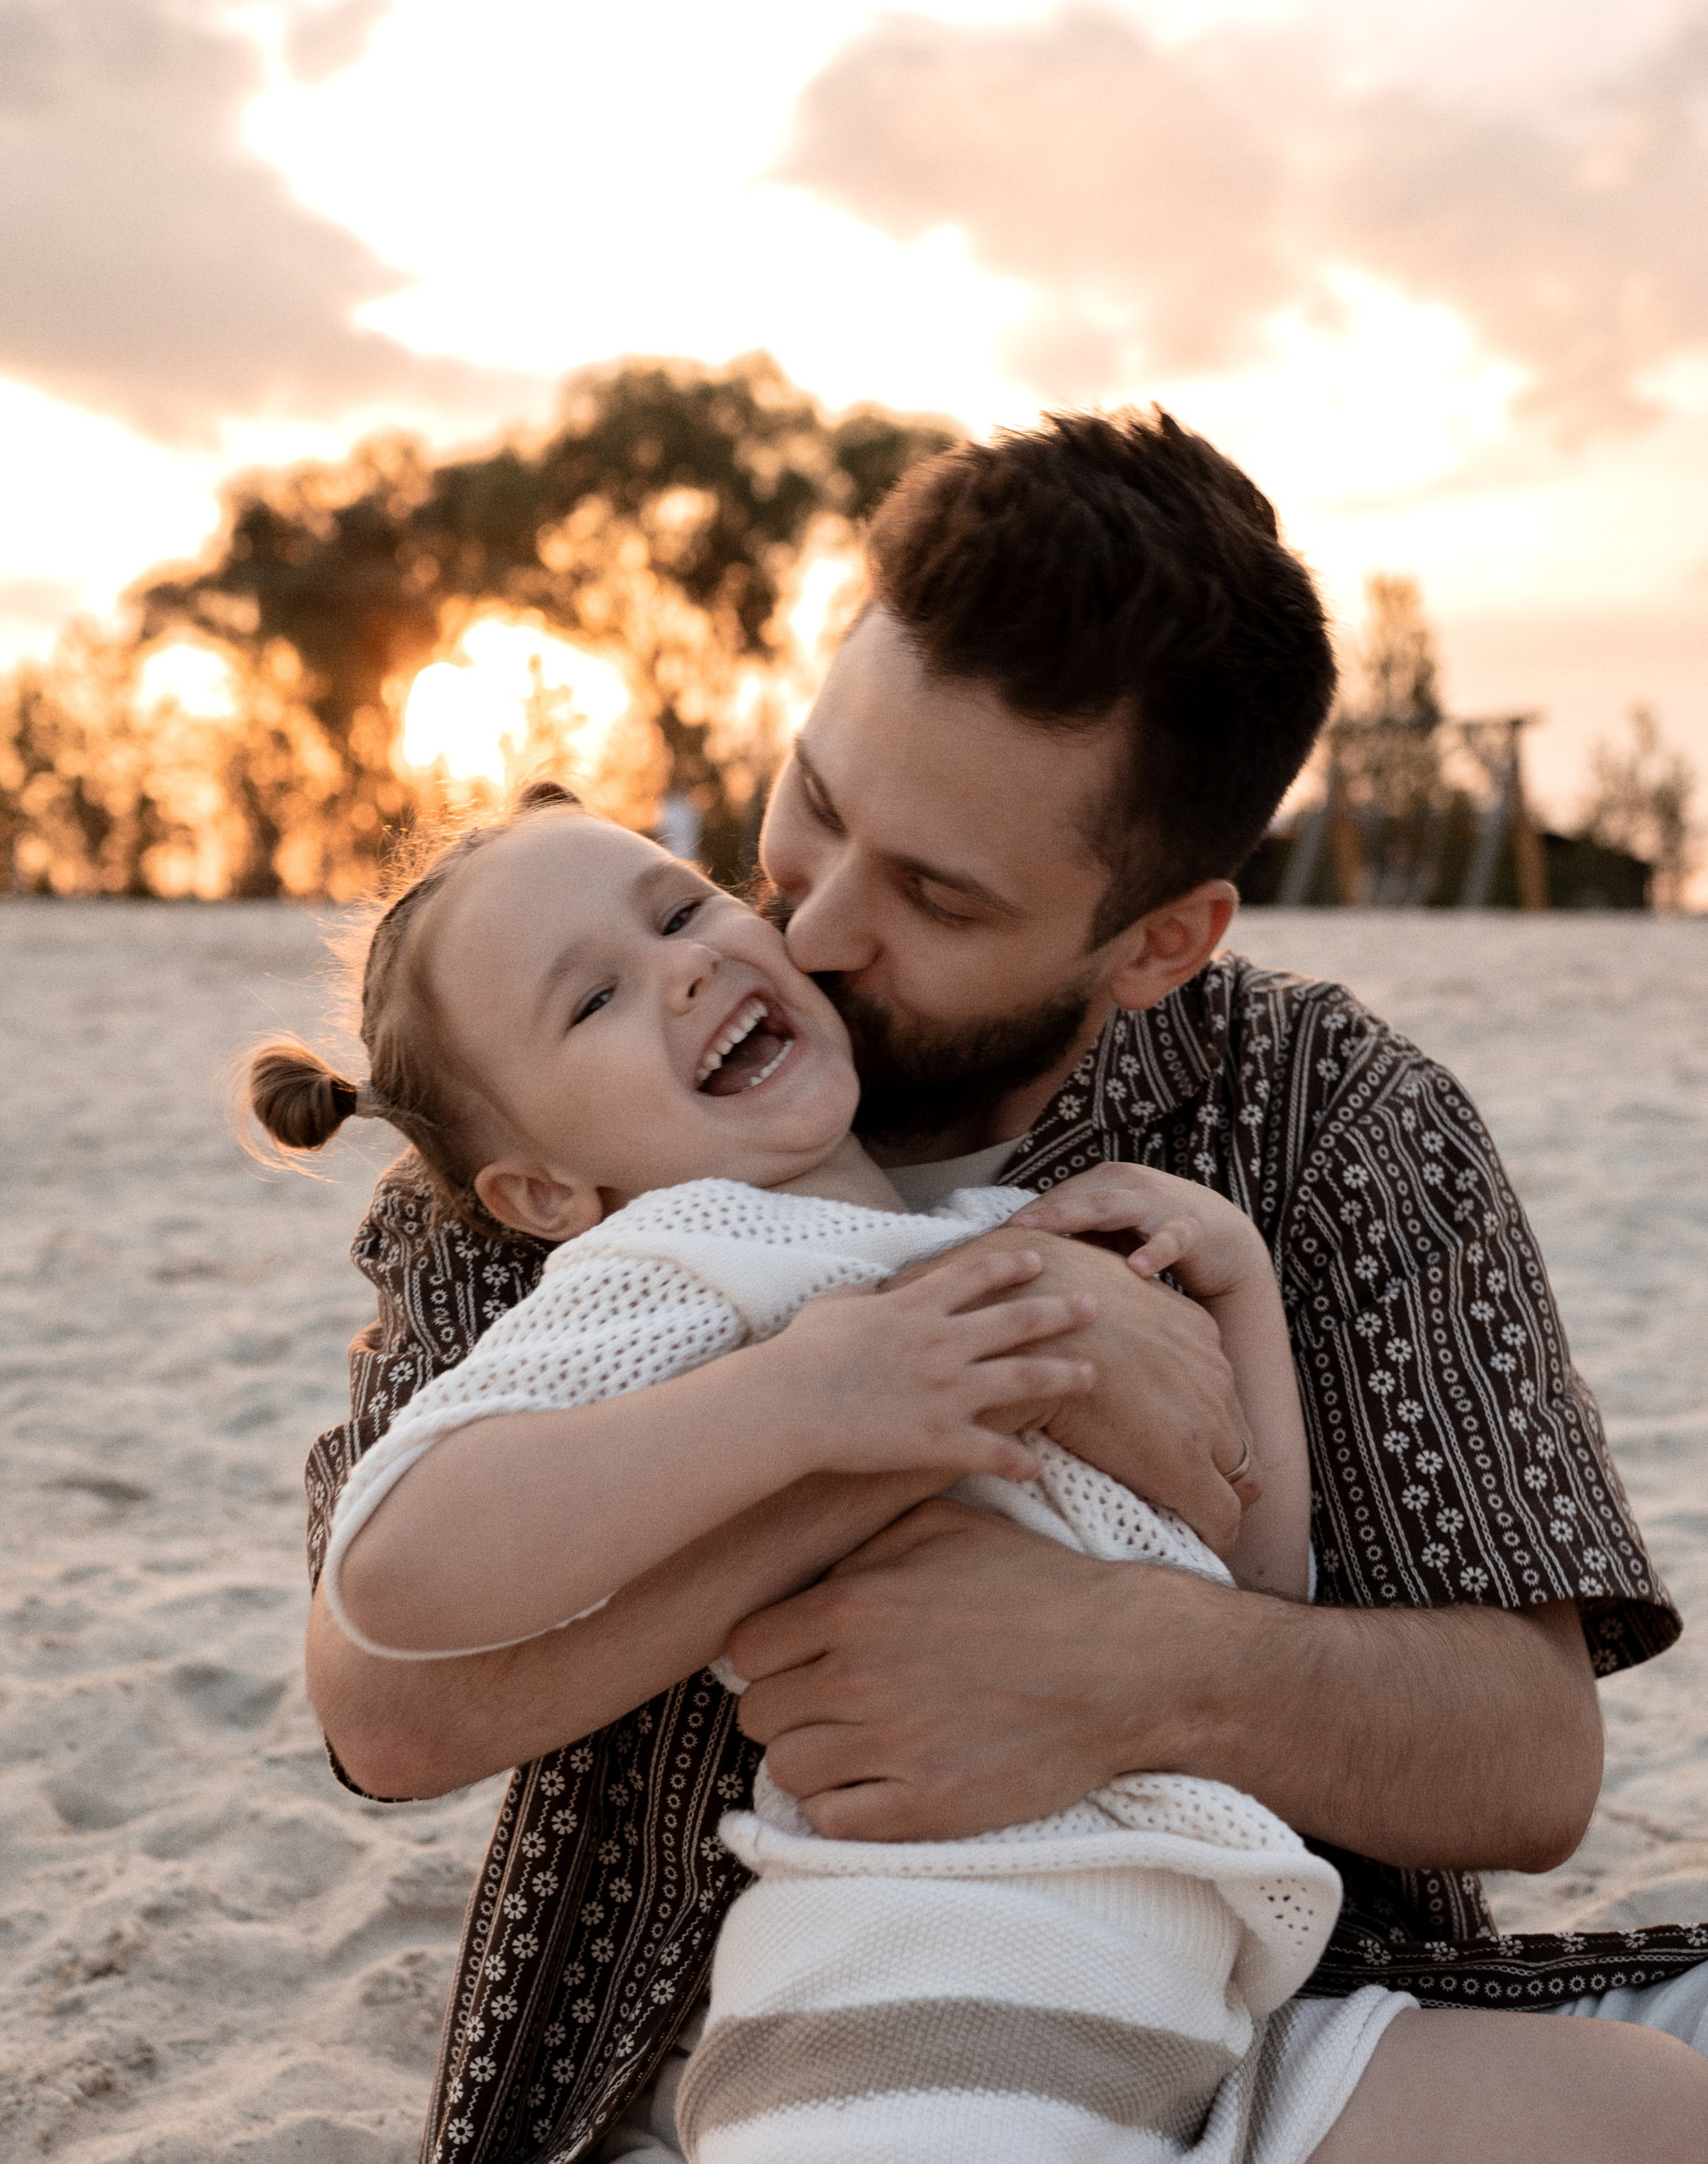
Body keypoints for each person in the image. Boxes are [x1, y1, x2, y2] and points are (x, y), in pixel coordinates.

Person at [301, 412, 1708, 2164]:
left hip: (1273, 2021)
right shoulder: (576, 1115)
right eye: (813, 802)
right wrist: (931, 1402)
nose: (803, 928)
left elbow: (1528, 1765)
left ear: (1158, 940)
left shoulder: (1328, 1113)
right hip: (753, 2054)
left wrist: (1138, 1664)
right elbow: (384, 1701)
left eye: (937, 897)